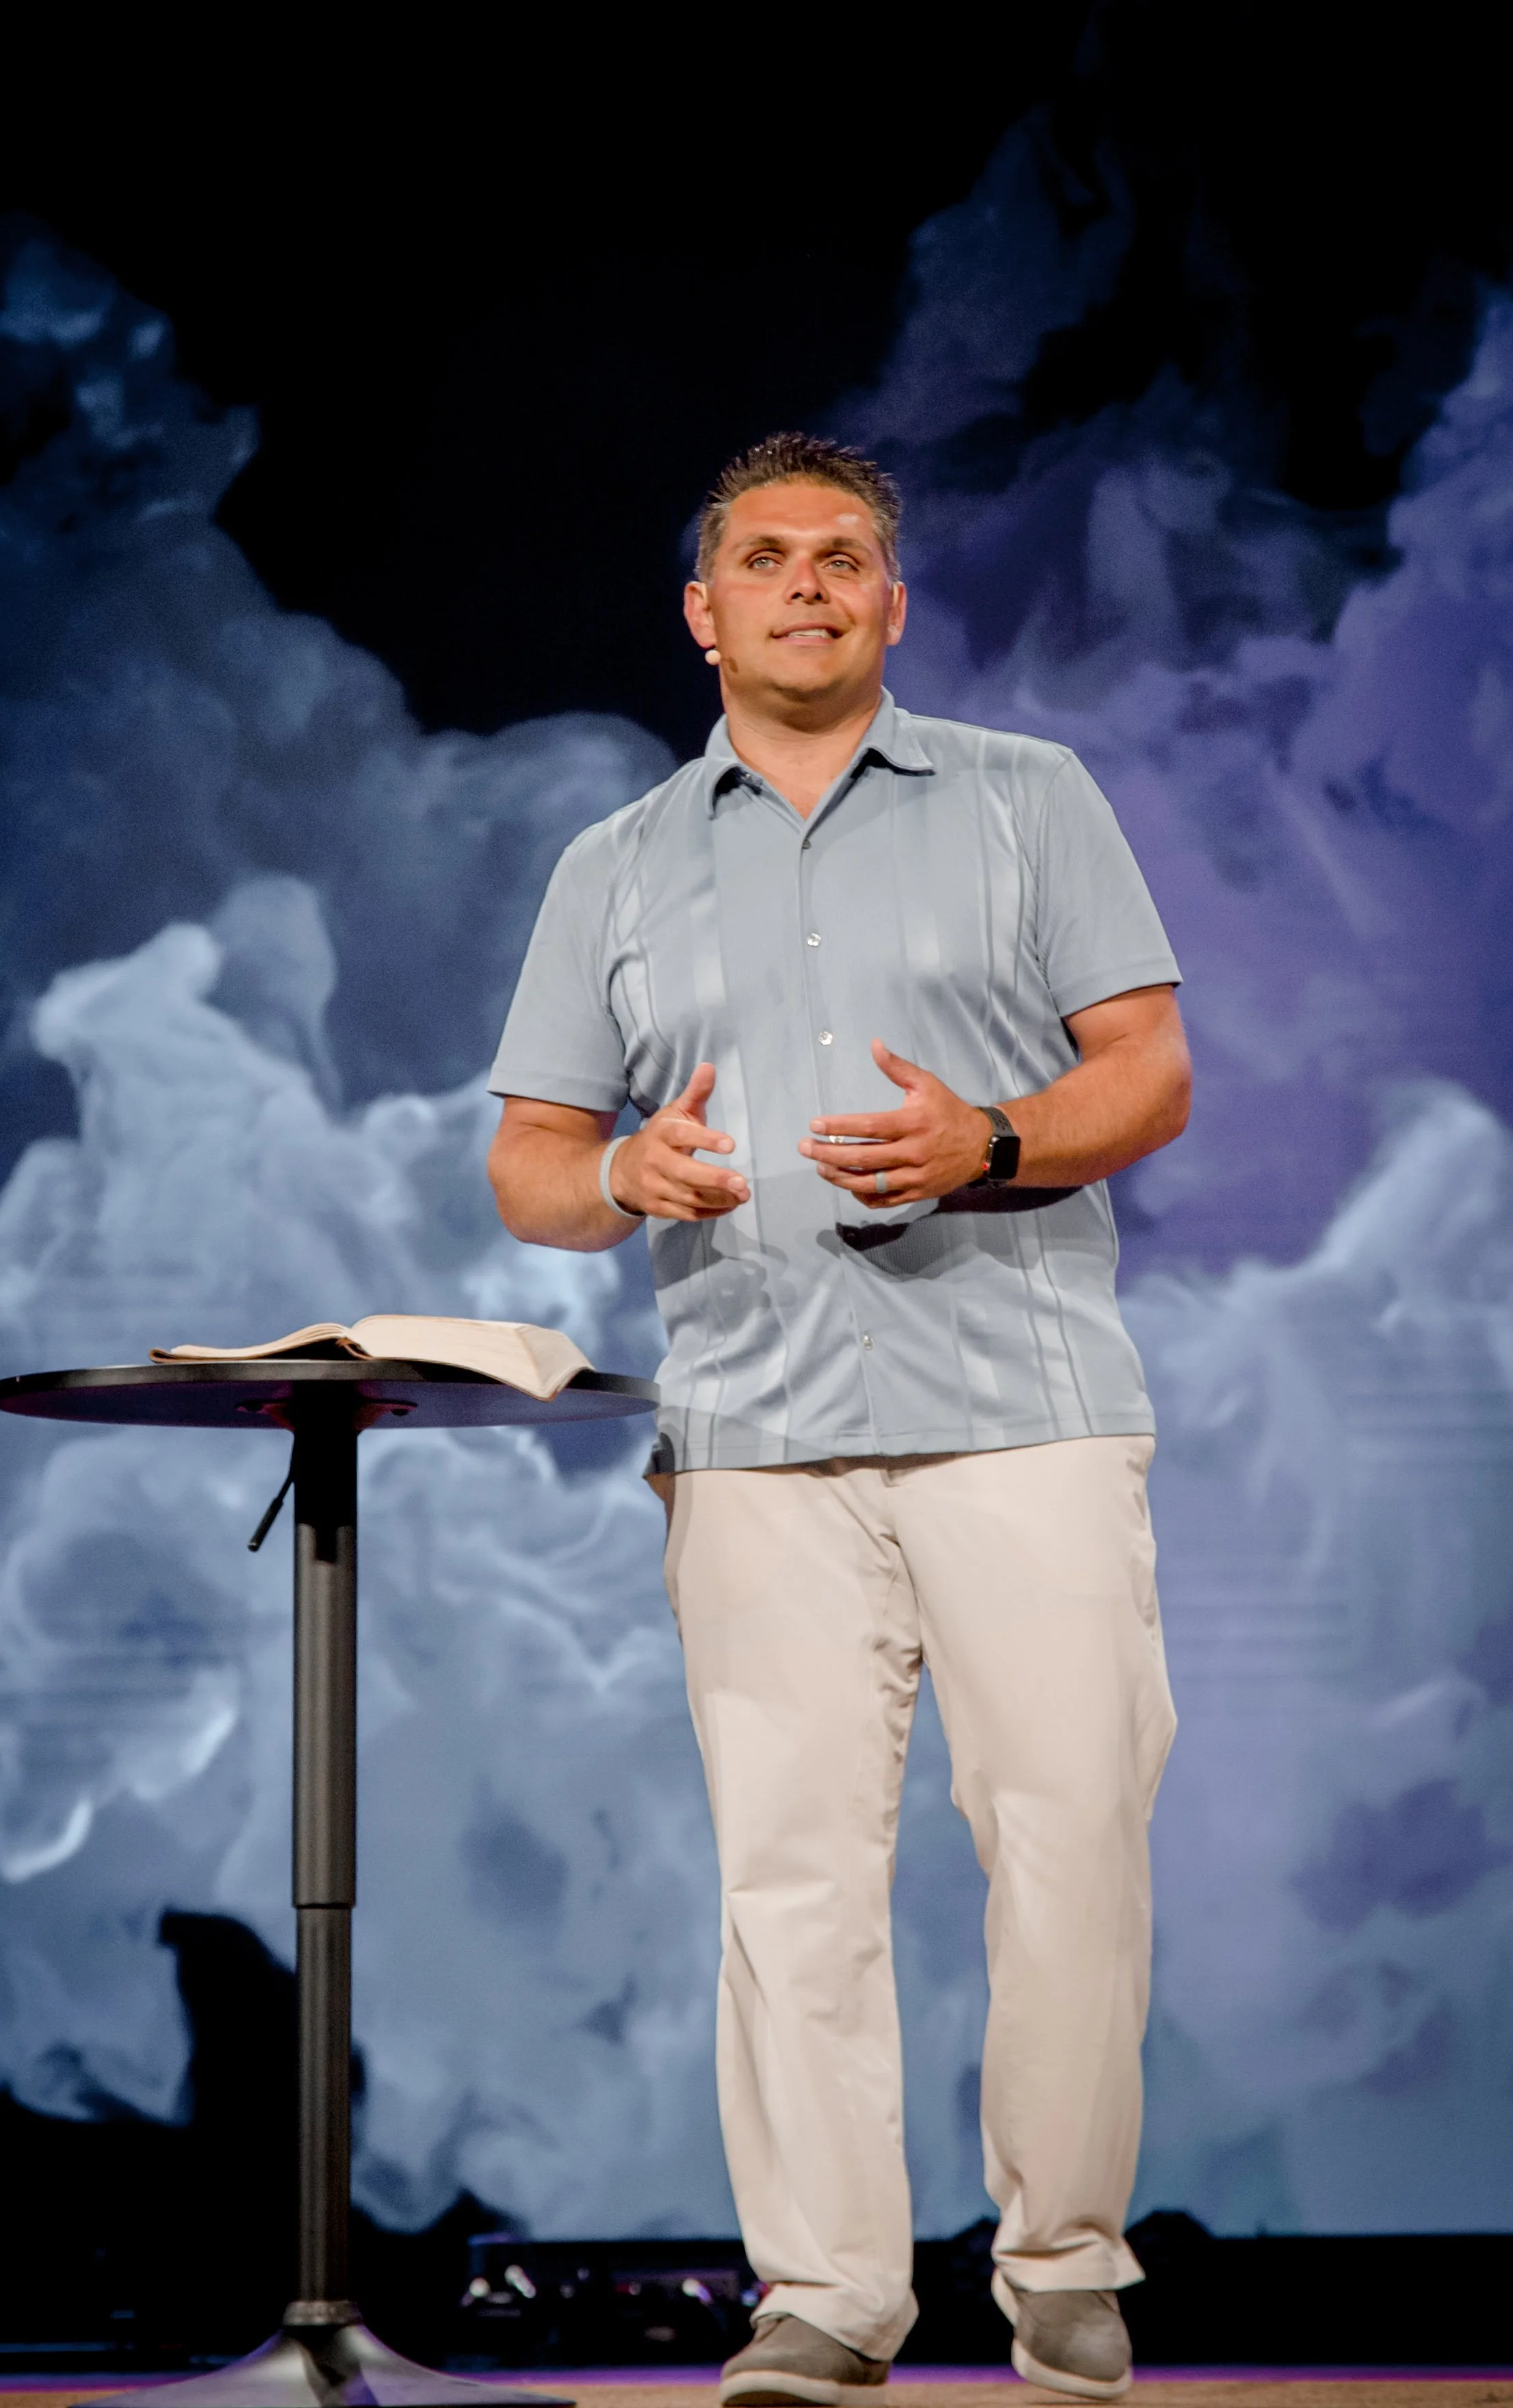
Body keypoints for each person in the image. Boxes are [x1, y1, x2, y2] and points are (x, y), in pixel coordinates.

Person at [487, 432, 1189, 2406]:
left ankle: (1060, 2268)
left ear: (893, 603)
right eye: (768, 557)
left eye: (847, 556)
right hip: (757, 1434)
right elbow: (533, 1162)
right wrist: (623, 1178)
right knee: (789, 1878)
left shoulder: (1028, 802)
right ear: (704, 613)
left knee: (1067, 1850)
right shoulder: (612, 864)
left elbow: (1147, 1072)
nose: (810, 583)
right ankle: (827, 2298)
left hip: (1023, 1415)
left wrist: (987, 1138)